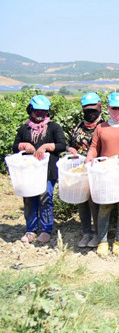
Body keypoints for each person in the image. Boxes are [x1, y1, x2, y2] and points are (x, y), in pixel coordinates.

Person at [86, 92, 119, 257]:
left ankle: (118, 240)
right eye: (113, 108)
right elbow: (94, 147)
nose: (116, 111)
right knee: (104, 207)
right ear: (108, 108)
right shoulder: (101, 127)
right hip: (106, 175)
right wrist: (90, 157)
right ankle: (102, 241)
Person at [12, 95, 66, 245]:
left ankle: (46, 230)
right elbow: (15, 147)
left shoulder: (54, 127)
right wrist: (24, 146)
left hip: (48, 171)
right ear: (30, 111)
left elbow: (62, 145)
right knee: (29, 198)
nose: (40, 115)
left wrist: (47, 146)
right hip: (29, 171)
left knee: (45, 198)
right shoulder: (25, 129)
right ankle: (31, 229)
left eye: (44, 112)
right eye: (37, 112)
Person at [66, 92, 103, 248]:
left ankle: (97, 233)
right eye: (86, 110)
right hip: (80, 171)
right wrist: (71, 150)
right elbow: (69, 144)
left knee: (94, 202)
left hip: (97, 171)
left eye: (93, 110)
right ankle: (86, 232)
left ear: (100, 108)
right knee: (82, 202)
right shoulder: (79, 127)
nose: (90, 113)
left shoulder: (104, 126)